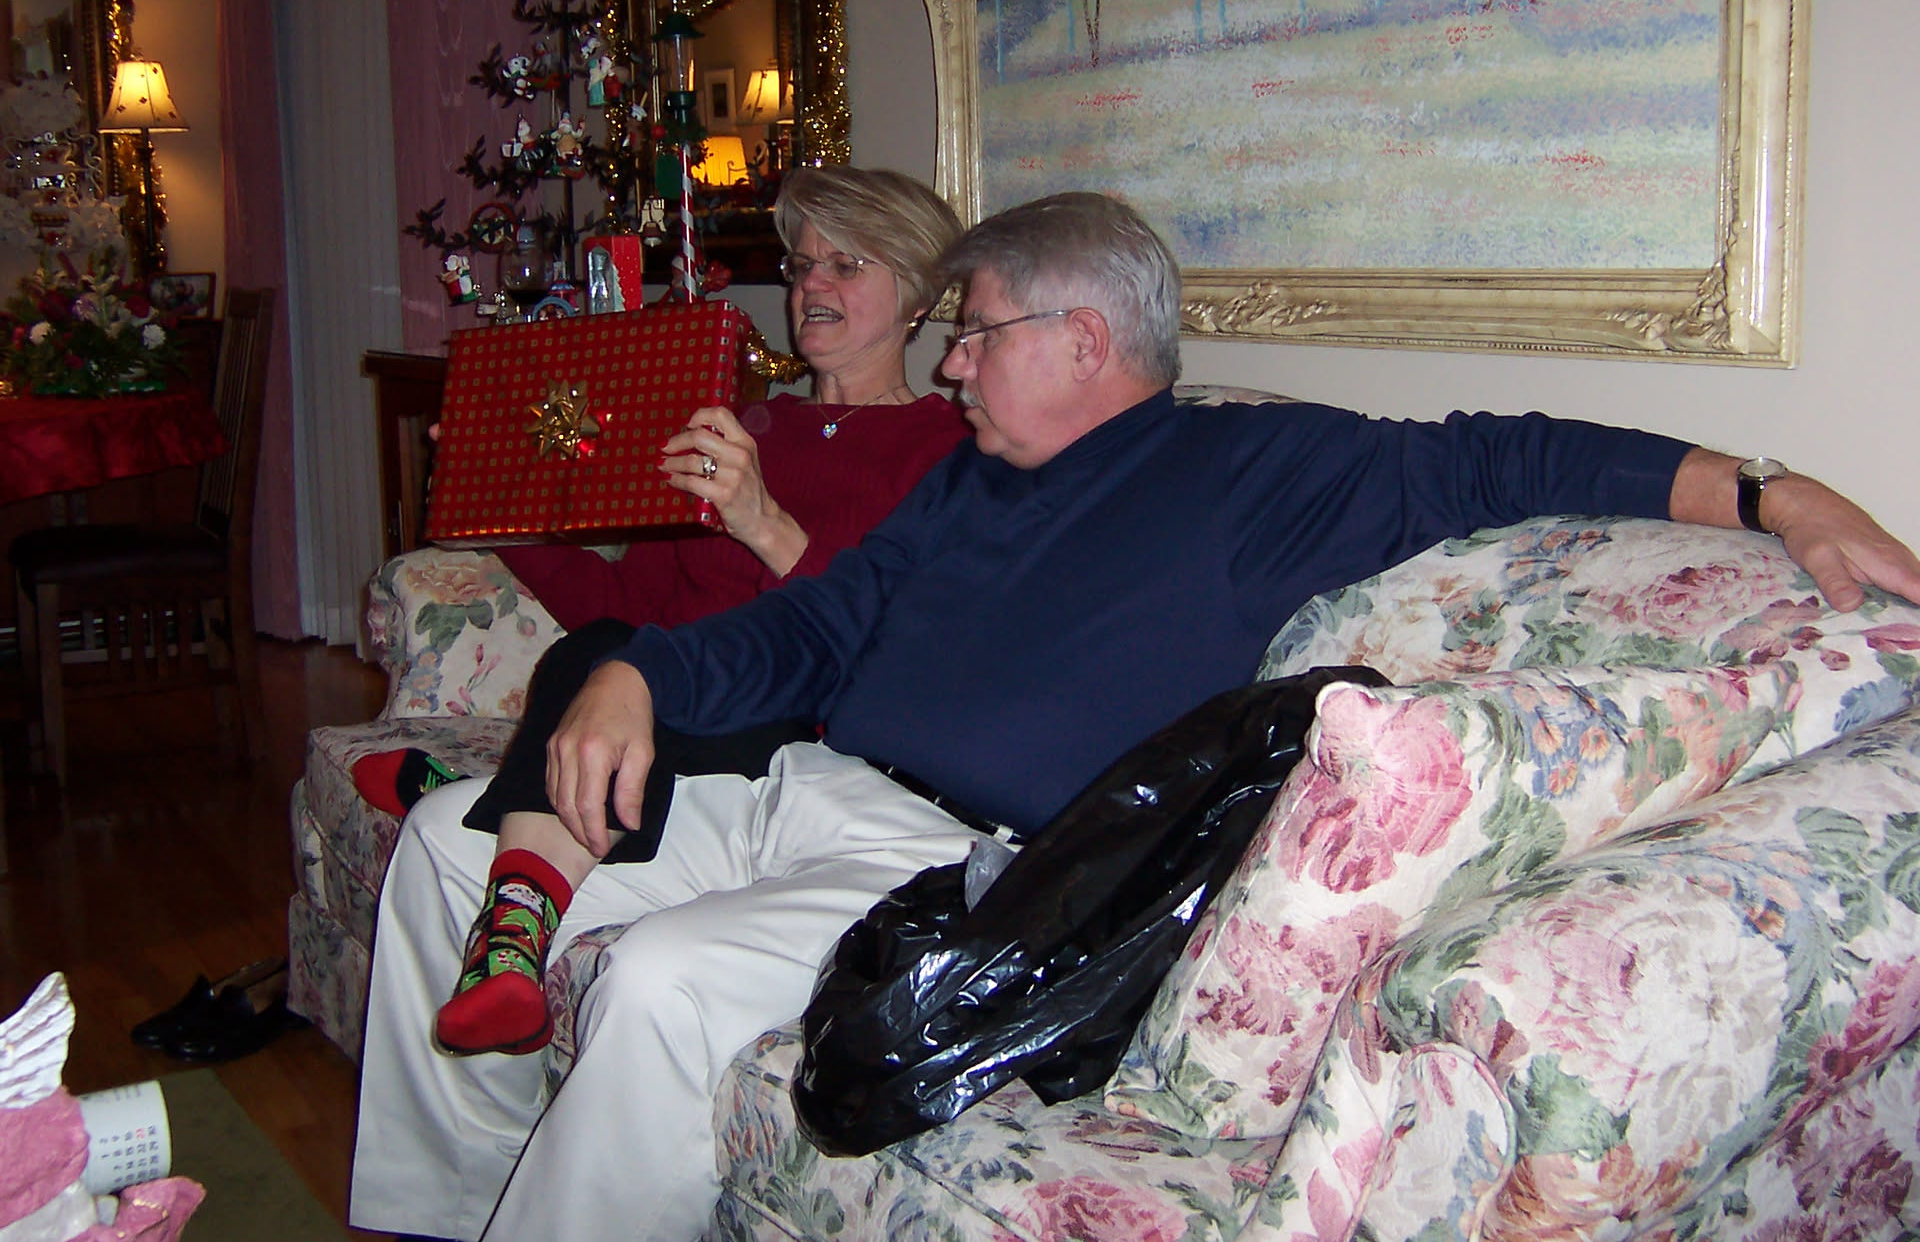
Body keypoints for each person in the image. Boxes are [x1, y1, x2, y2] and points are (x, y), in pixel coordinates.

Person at [350, 192, 1920, 1242]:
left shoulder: (1254, 473)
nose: (950, 366)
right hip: (799, 789)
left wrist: (1778, 492)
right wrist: (639, 674)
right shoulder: (964, 480)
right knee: (446, 847)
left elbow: (1503, 456)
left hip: (958, 867)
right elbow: (814, 627)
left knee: (663, 983)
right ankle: (447, 1207)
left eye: (975, 333)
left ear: (1082, 341)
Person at [352, 165, 970, 1058]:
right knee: (615, 647)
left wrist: (762, 520)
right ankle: (511, 932)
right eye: (802, 265)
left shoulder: (946, 454)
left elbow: (894, 647)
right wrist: (495, 518)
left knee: (631, 671)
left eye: (847, 265)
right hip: (657, 702)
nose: (813, 286)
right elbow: (627, 605)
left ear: (916, 295)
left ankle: (495, 839)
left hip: (794, 732)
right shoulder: (736, 425)